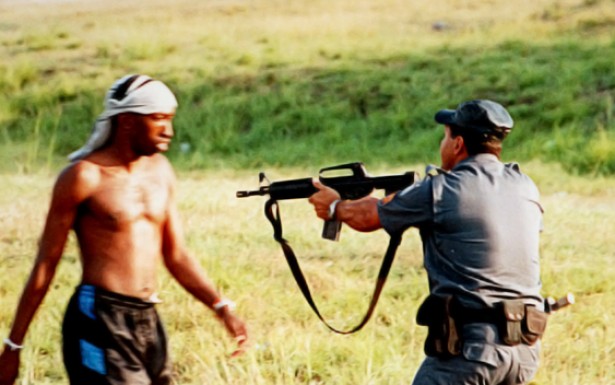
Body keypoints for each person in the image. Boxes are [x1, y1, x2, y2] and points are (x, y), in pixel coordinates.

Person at [0, 74, 248, 385]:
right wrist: (13, 346)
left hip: (148, 319)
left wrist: (221, 306)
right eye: (158, 119)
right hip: (100, 317)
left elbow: (176, 254)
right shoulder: (83, 177)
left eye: (170, 119)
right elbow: (45, 264)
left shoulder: (160, 171)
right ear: (127, 121)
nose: (168, 131)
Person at [308, 100, 545, 385]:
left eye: (445, 137)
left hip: (471, 351)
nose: (442, 144)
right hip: (525, 350)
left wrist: (335, 206)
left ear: (458, 144)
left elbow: (368, 216)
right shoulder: (525, 186)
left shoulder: (442, 189)